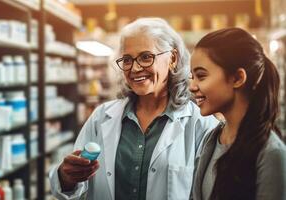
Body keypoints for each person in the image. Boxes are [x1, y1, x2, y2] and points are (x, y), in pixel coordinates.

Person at [49, 17, 218, 200]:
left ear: (172, 59)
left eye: (146, 57)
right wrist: (66, 177)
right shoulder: (101, 118)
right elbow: (73, 189)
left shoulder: (201, 124)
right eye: (127, 60)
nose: (135, 68)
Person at [189, 27, 286, 200]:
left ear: (237, 78)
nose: (192, 86)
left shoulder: (271, 153)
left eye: (201, 76)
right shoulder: (211, 139)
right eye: (192, 76)